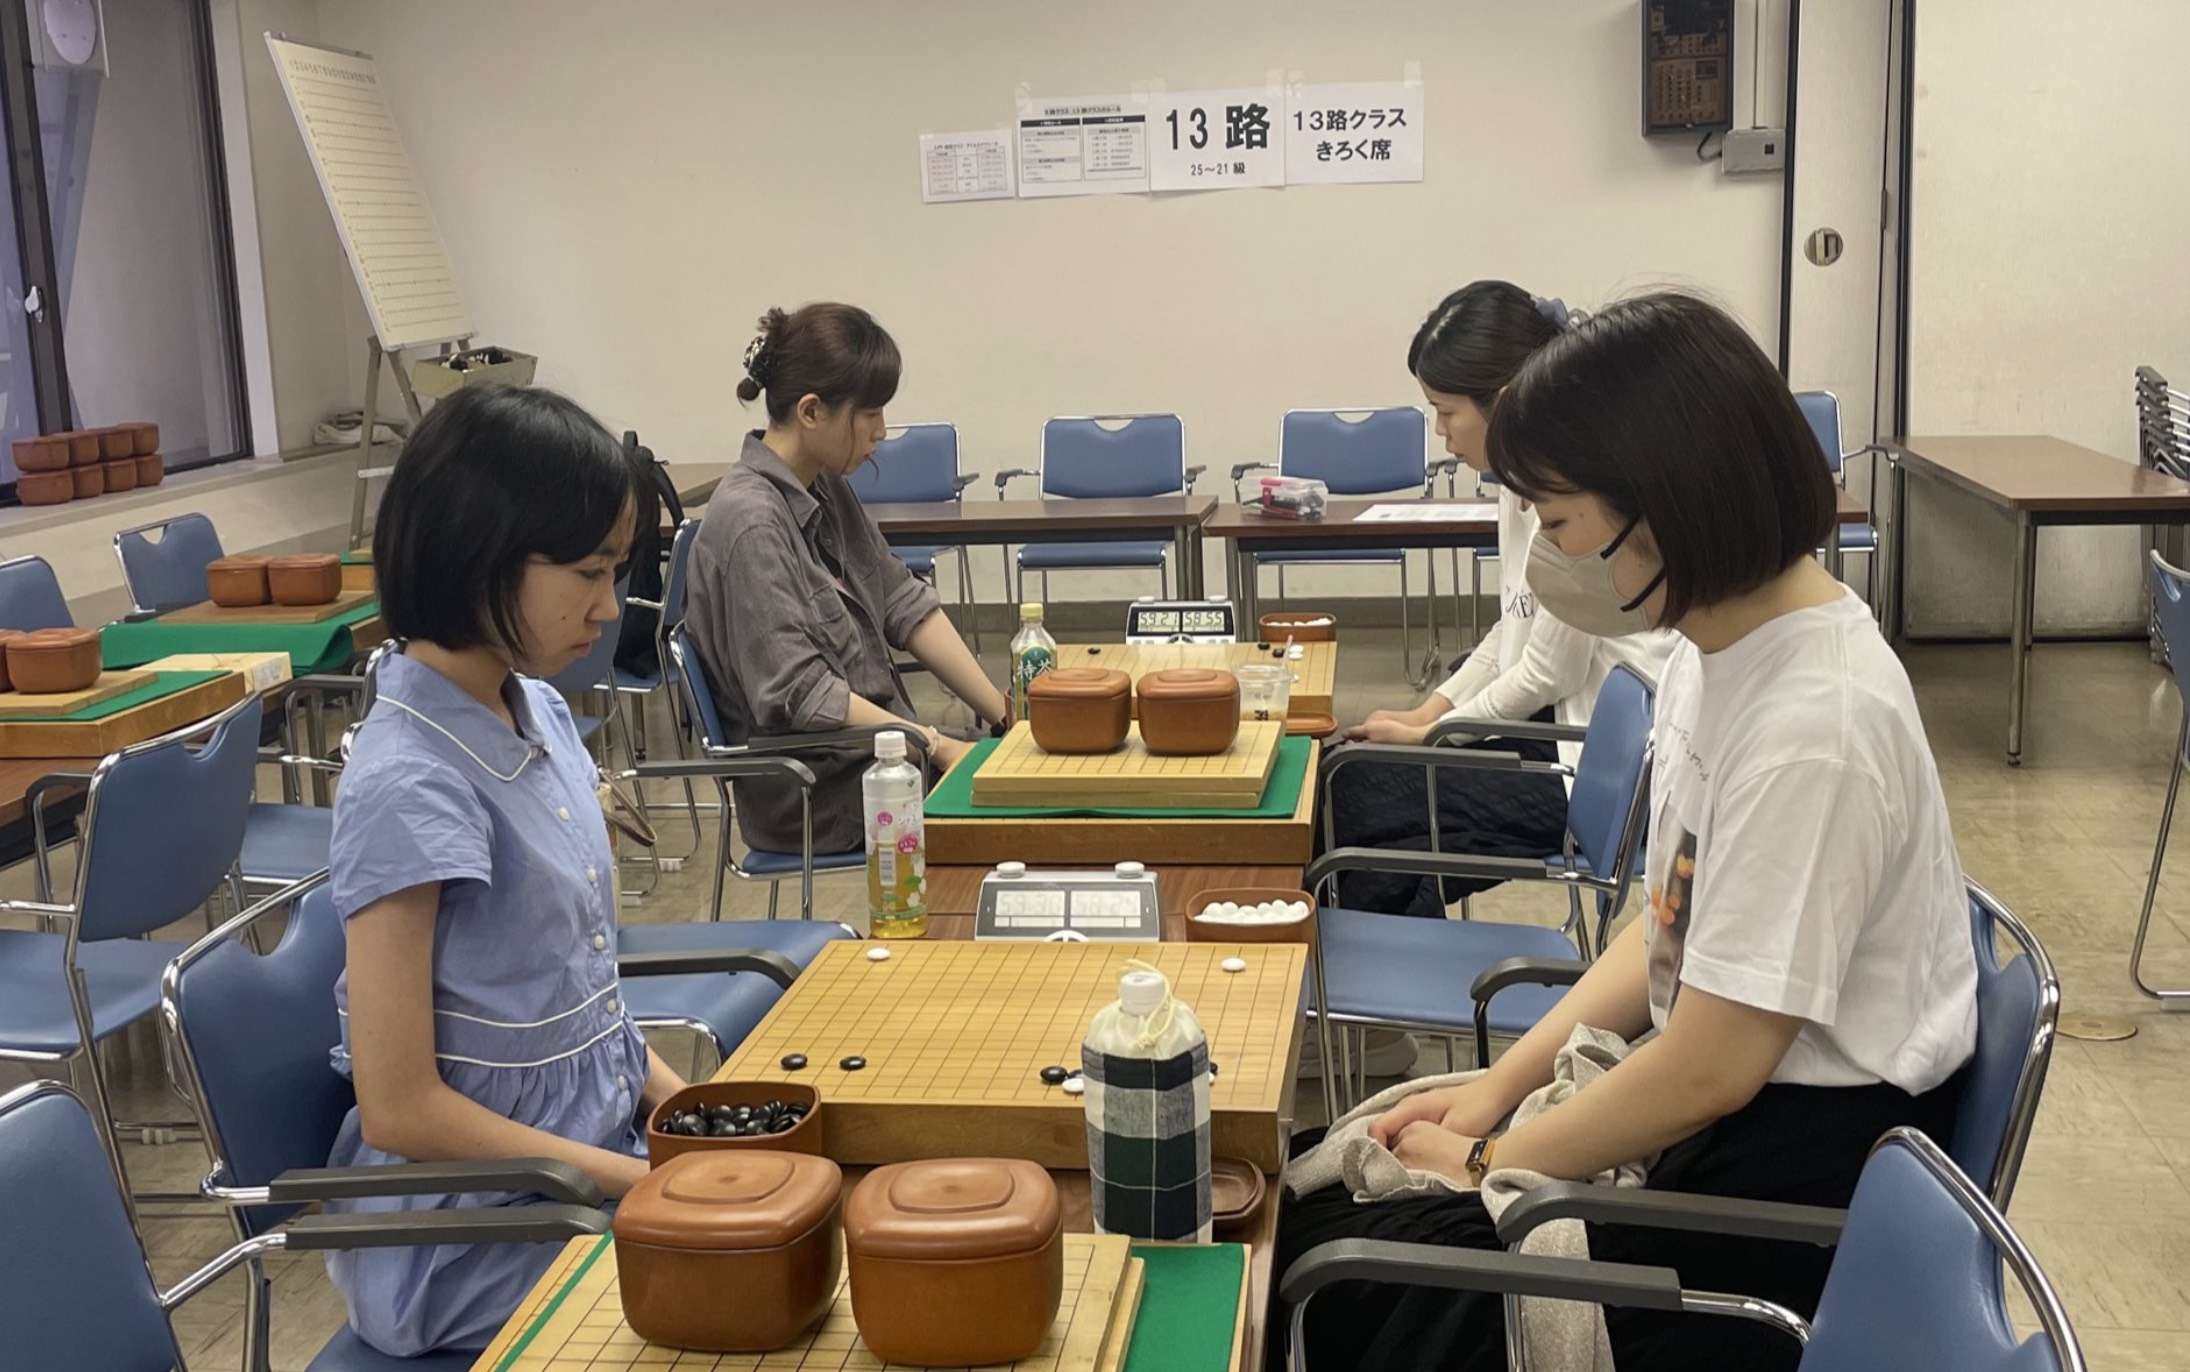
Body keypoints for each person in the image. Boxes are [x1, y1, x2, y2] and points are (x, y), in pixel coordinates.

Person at [1276, 292, 1977, 1372]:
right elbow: (1661, 926)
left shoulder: (1813, 727)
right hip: (1708, 1124)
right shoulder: (1717, 644)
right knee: (1323, 1200)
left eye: (1557, 524)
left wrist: (1492, 1156)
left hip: (1769, 1201)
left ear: (1669, 503)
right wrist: (1495, 1090)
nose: (1549, 556)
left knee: (1345, 1277)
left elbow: (1709, 1069)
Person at [327, 385, 685, 1356]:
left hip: (583, 1169)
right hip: (473, 1232)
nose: (608, 606)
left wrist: (685, 1114)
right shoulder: (408, 783)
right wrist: (635, 1184)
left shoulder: (535, 709)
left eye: (618, 570)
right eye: (588, 571)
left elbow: (580, 996)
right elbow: (401, 1107)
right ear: (479, 549)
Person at [1328, 281, 1675, 922]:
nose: (1440, 433)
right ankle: (1383, 981)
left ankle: (1370, 990)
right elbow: (1512, 628)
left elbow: (1549, 671)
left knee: (1349, 792)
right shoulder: (1517, 483)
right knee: (1351, 782)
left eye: (1447, 411)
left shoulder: (1577, 491)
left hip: (1592, 761)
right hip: (1552, 729)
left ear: (1507, 400)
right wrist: (1425, 715)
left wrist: (1435, 736)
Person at [685, 302, 1008, 858]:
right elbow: (803, 694)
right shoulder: (751, 524)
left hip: (876, 761)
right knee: (1026, 809)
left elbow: (904, 603)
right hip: (816, 794)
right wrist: (933, 746)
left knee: (1031, 768)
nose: (881, 432)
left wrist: (1006, 713)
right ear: (811, 412)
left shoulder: (823, 485)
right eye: (870, 413)